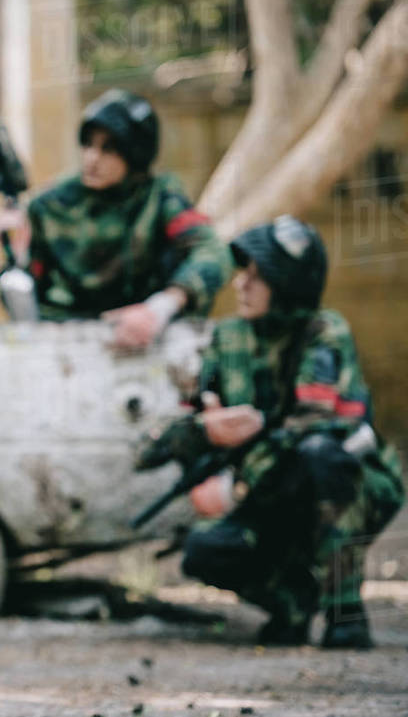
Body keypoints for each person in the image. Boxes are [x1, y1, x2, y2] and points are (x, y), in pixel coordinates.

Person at [138, 215, 404, 647]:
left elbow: (318, 425)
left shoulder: (324, 330)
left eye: (257, 277)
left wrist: (239, 485)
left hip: (351, 483)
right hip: (271, 492)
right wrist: (203, 431)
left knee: (322, 458)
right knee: (206, 551)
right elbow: (151, 448)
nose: (241, 284)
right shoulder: (227, 340)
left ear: (288, 284)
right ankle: (292, 603)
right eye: (243, 272)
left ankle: (345, 608)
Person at [0, 89, 231, 348]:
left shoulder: (159, 197)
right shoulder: (50, 204)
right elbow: (19, 294)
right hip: (68, 339)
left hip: (144, 335)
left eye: (109, 149)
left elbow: (213, 253)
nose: (92, 159)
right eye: (88, 145)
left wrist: (161, 306)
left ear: (135, 154)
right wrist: (15, 252)